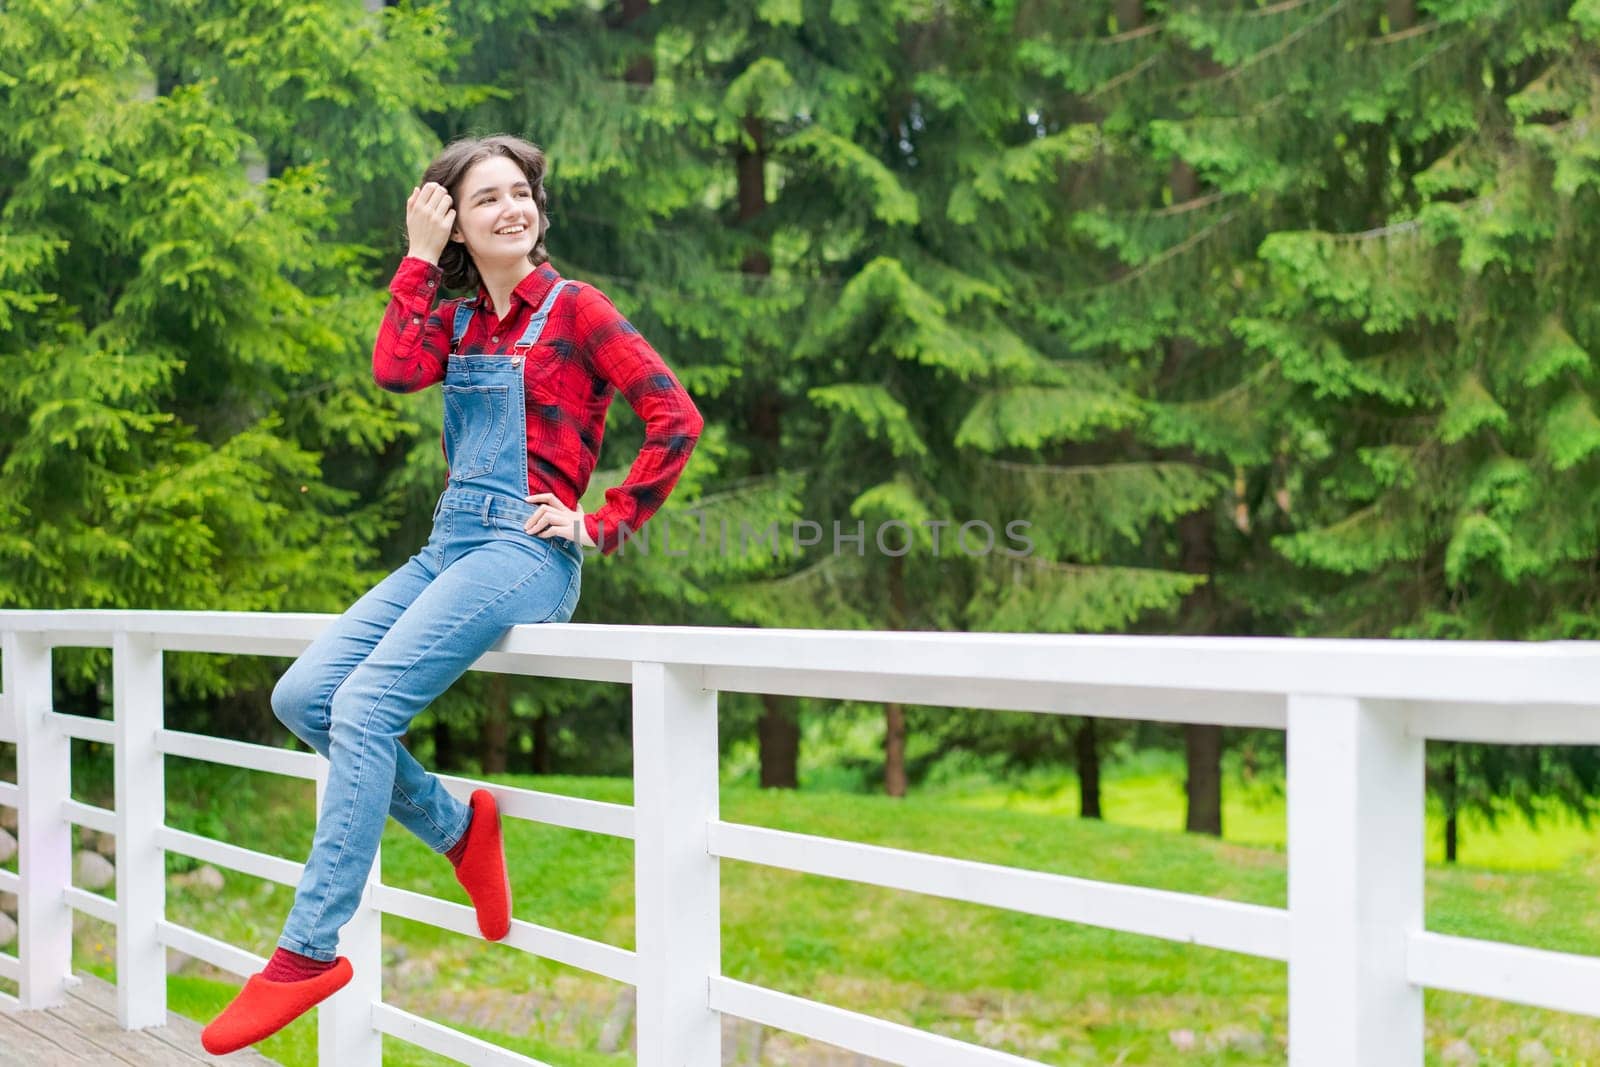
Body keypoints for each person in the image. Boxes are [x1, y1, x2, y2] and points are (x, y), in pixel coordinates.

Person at [201, 134, 704, 1055]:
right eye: (487, 201)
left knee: (362, 705)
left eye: (523, 193)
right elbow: (394, 368)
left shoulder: (578, 309)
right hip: (448, 545)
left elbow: (674, 414)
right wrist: (418, 261)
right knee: (305, 696)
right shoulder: (462, 316)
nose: (514, 208)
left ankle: (306, 952)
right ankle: (456, 827)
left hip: (524, 553)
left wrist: (603, 521)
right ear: (458, 225)